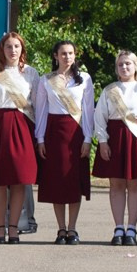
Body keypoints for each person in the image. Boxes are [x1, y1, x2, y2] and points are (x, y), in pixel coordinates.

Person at [31, 41, 94, 245]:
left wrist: (87, 138)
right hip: (54, 133)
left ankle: (73, 229)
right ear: (55, 56)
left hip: (76, 134)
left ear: (75, 55)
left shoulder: (84, 79)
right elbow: (40, 111)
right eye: (63, 53)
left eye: (71, 53)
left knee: (73, 182)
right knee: (57, 182)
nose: (67, 57)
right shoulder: (46, 80)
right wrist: (40, 138)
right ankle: (61, 229)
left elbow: (89, 111)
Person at [90, 50, 137, 248]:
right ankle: (118, 227)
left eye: (128, 63)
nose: (124, 67)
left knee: (135, 184)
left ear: (136, 66)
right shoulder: (110, 90)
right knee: (116, 185)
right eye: (120, 64)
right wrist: (102, 141)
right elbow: (99, 116)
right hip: (115, 138)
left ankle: (132, 228)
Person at [0, 32, 39, 245]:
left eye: (16, 47)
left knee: (18, 181)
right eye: (8, 47)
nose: (13, 51)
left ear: (22, 49)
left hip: (23, 127)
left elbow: (37, 105)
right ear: (2, 50)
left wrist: (39, 136)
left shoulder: (31, 74)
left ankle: (13, 228)